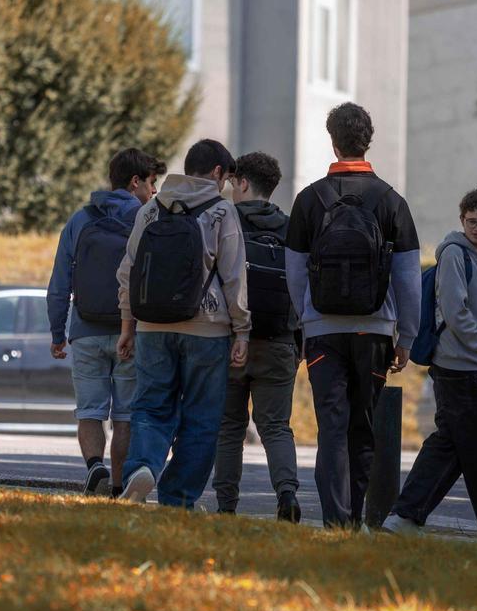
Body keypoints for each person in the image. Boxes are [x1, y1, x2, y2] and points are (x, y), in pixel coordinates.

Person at [285, 102, 422, 528]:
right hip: (375, 331)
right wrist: (406, 337)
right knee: (363, 428)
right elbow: (408, 277)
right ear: (369, 141)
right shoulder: (392, 201)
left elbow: (294, 274)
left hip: (323, 332)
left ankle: (335, 520)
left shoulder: (309, 200)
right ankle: (356, 518)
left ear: (333, 142)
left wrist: (306, 322)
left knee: (332, 427)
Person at [381, 189, 477, 542]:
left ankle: (404, 517)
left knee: (450, 446)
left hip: (462, 366)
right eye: (471, 221)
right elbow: (454, 311)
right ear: (462, 219)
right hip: (466, 366)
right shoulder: (454, 253)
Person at [117, 139, 251, 507]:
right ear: (218, 172)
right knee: (201, 417)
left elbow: (128, 272)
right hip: (207, 328)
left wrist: (128, 325)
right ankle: (178, 498)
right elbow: (234, 277)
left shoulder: (151, 209)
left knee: (150, 406)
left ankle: (142, 467)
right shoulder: (222, 211)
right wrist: (242, 330)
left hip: (152, 327)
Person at [47, 147, 165, 497]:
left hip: (85, 331)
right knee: (125, 416)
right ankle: (116, 487)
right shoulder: (148, 219)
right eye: (151, 182)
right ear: (134, 182)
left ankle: (94, 467)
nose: (154, 191)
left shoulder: (80, 219)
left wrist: (58, 333)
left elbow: (59, 283)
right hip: (131, 332)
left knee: (89, 411)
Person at [212, 151, 302, 522]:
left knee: (229, 427)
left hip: (231, 339)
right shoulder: (292, 228)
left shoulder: (225, 221)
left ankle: (226, 506)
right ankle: (287, 494)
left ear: (244, 183)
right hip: (279, 341)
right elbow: (303, 288)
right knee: (276, 427)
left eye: (234, 183)